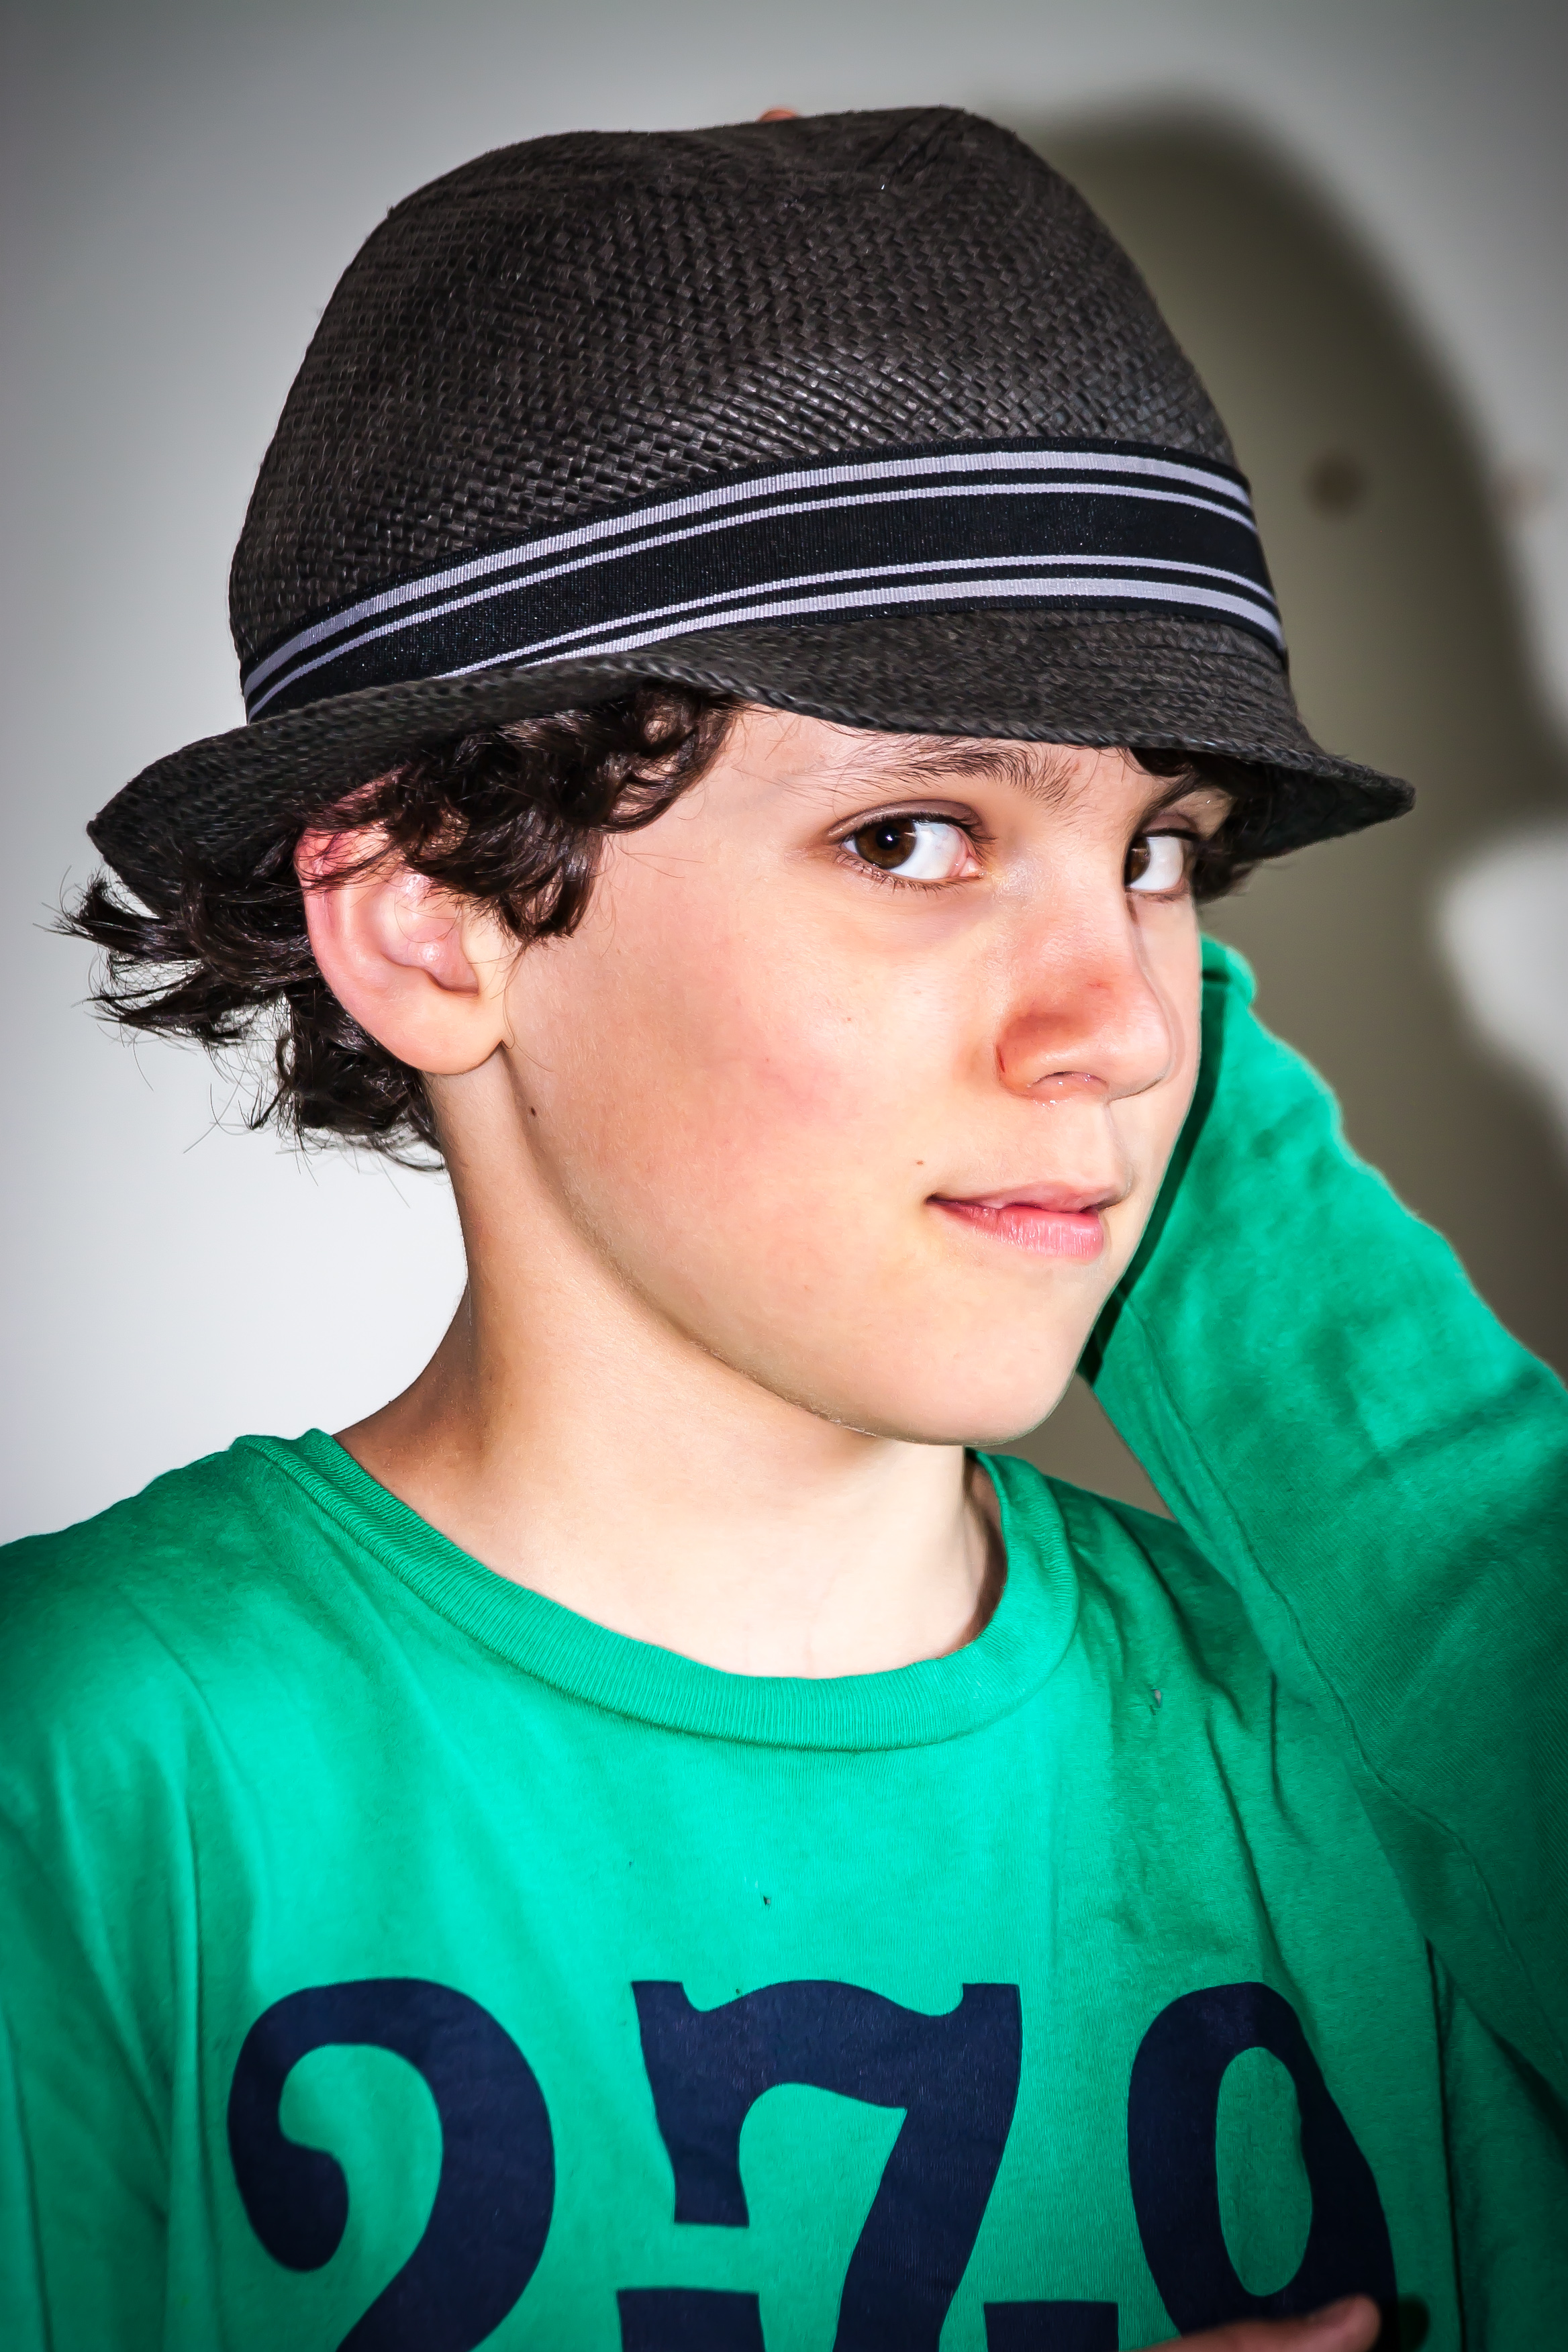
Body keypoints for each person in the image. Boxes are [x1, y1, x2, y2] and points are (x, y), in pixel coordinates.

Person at [1, 107, 1562, 2352]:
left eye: (1163, 853)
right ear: (432, 918)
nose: (1131, 1028)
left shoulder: (1385, 1774)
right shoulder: (92, 1764)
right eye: (914, 838)